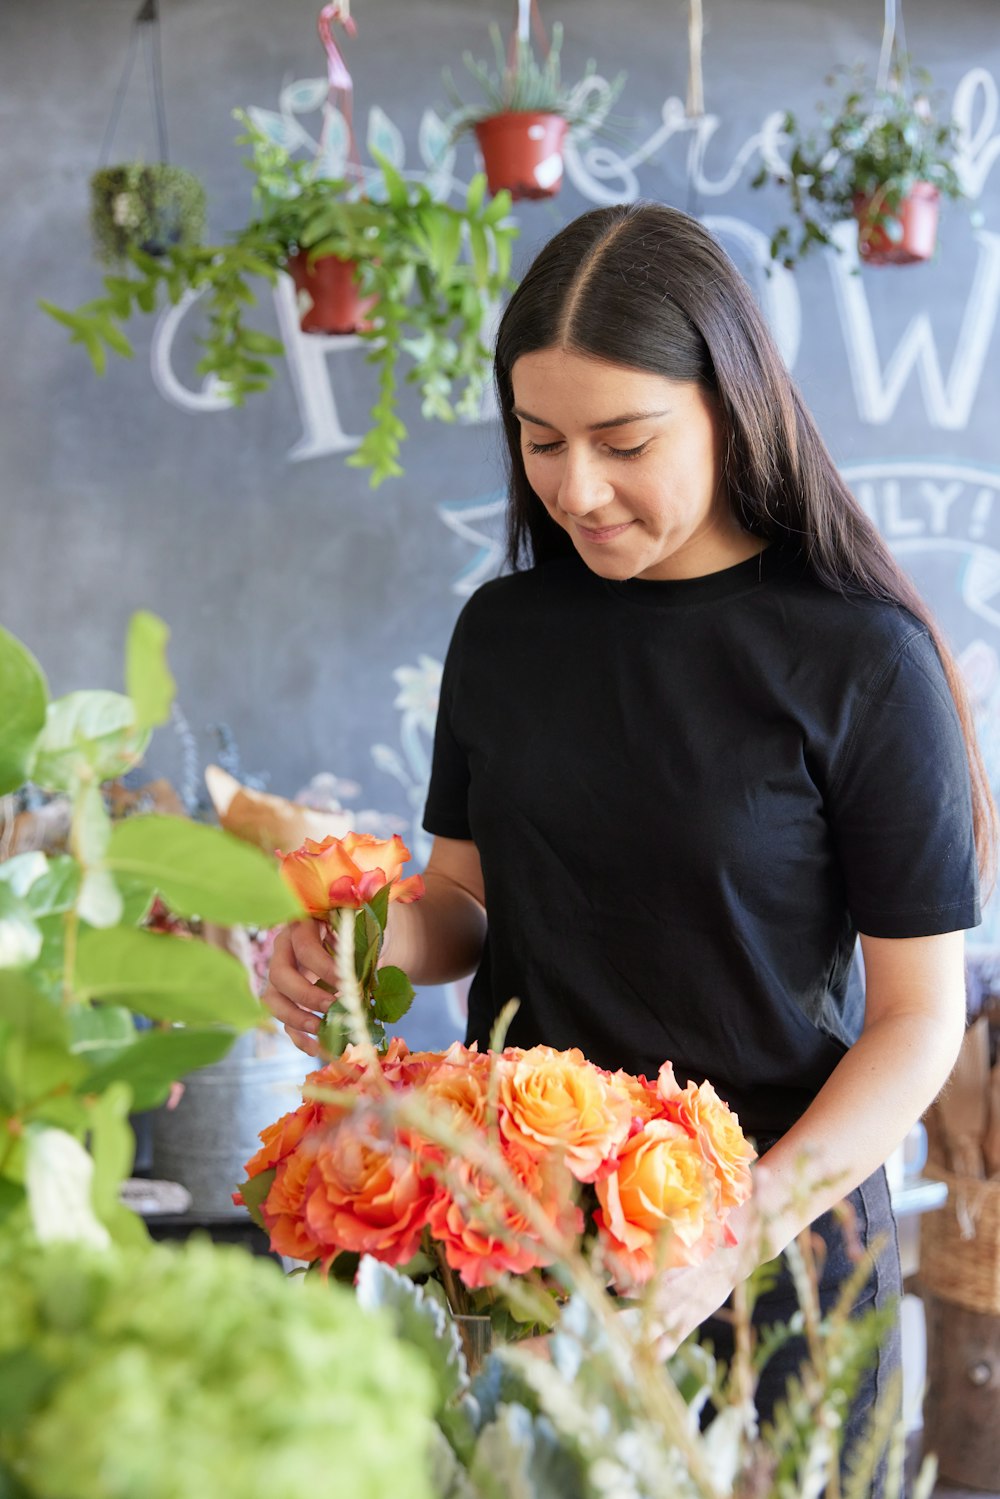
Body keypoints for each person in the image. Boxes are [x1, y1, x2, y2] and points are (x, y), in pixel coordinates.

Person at [264, 202, 992, 1462]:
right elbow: (463, 904)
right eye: (540, 441)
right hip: (528, 1244)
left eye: (623, 439)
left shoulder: (861, 659)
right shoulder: (506, 632)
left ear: (729, 404)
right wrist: (356, 938)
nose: (576, 487)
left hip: (783, 1261)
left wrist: (730, 1232)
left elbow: (917, 1019)